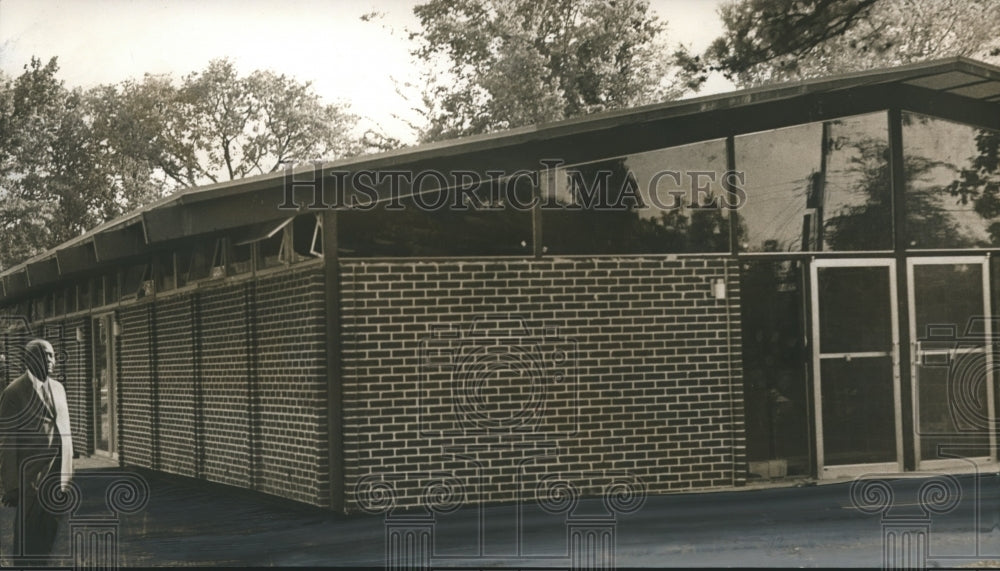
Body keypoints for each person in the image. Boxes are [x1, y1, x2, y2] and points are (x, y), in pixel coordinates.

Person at [0, 339, 74, 559]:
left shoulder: (59, 388)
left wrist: (69, 471)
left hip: (57, 479)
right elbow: (7, 441)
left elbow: (64, 429)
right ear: (30, 359)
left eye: (52, 355)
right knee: (26, 542)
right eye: (46, 355)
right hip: (29, 481)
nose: (51, 360)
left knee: (47, 540)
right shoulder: (14, 392)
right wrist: (11, 486)